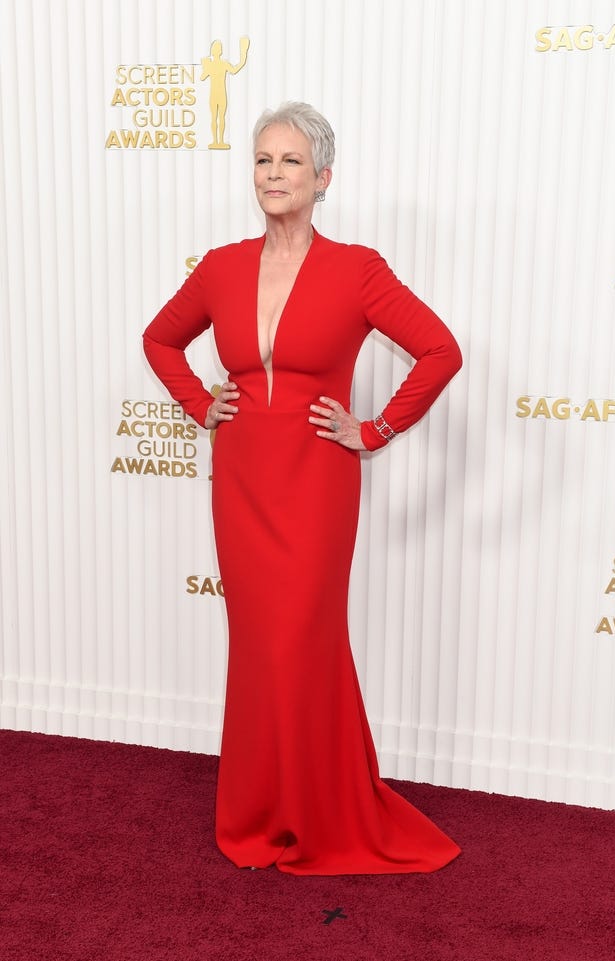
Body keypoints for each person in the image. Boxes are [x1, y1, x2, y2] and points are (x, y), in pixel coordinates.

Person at [143, 102, 463, 876]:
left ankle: (322, 810)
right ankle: (259, 811)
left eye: (290, 161)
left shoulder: (358, 269)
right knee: (259, 647)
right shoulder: (220, 266)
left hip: (317, 481)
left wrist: (375, 429)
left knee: (303, 642)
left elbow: (440, 350)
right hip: (242, 478)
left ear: (323, 178)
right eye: (262, 159)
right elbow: (160, 339)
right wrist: (200, 403)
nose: (273, 174)